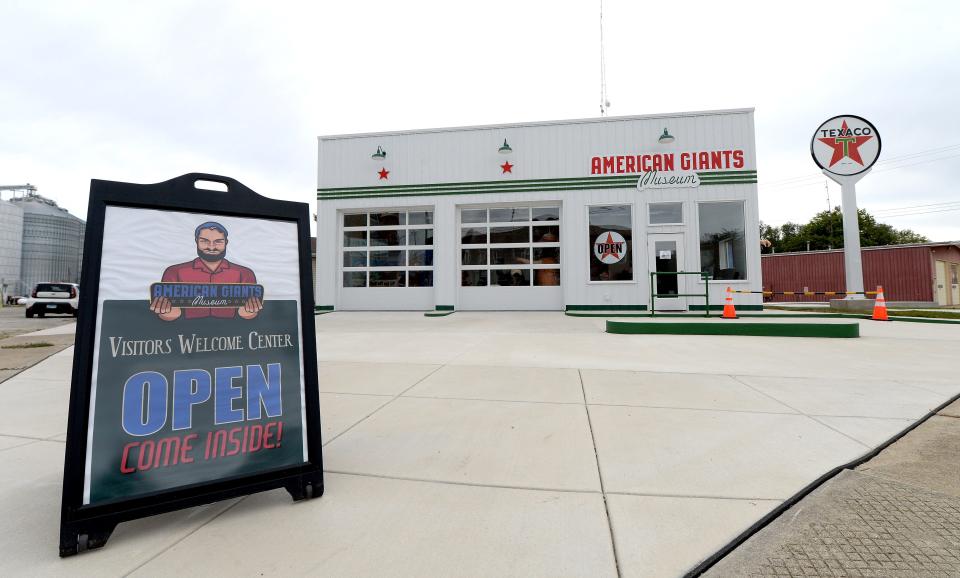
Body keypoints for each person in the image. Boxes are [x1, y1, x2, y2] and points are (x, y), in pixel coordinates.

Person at [149, 221, 262, 321]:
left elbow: (249, 315)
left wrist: (249, 312)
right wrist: (166, 313)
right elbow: (168, 315)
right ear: (196, 241)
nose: (211, 247)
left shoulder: (245, 273)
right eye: (204, 241)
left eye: (218, 241)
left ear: (226, 242)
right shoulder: (174, 272)